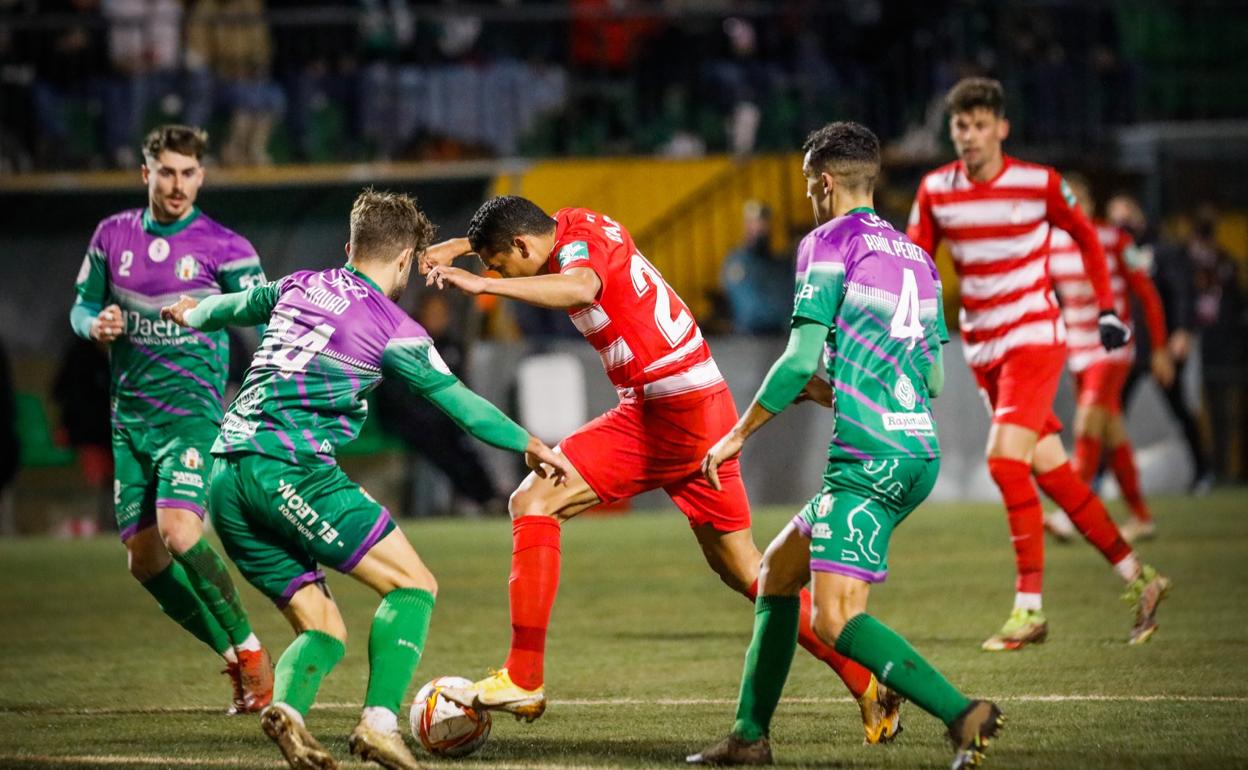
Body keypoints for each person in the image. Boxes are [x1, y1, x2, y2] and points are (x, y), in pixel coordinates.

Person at [421, 195, 909, 744]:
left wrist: (485, 285)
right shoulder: (571, 224)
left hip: (667, 414)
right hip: (696, 406)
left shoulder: (576, 255)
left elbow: (580, 286)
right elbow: (530, 227)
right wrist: (464, 245)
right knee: (751, 573)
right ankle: (868, 680)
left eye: (500, 263)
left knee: (534, 501)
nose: (496, 273)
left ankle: (525, 676)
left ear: (522, 247)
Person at [160, 189, 572, 770]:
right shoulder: (392, 325)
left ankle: (291, 713)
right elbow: (462, 406)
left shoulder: (299, 285)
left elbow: (230, 308)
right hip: (289, 468)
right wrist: (530, 443)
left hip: (225, 477)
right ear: (406, 260)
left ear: (349, 246)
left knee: (322, 626)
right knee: (413, 586)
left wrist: (189, 310)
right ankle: (379, 723)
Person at [687, 120, 1003, 770]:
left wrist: (736, 435)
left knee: (833, 620)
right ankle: (749, 738)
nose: (810, 197)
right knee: (777, 574)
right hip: (916, 448)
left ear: (825, 182)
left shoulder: (827, 243)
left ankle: (961, 712)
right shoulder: (915, 254)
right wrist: (845, 384)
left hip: (869, 454)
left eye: (810, 186)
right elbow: (936, 376)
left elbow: (799, 358)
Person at [906, 77, 1170, 650]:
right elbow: (919, 265)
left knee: (1005, 463)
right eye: (960, 127)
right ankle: (1140, 578)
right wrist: (915, 328)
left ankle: (1029, 609)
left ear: (1002, 128)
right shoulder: (935, 190)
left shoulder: (1039, 183)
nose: (970, 136)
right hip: (982, 348)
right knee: (1054, 473)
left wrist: (1105, 307)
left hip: (1034, 336)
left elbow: (1086, 236)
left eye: (980, 125)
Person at [69, 124, 274, 713]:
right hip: (129, 419)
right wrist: (94, 325)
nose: (178, 184)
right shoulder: (113, 236)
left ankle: (251, 648)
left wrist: (272, 384)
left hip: (193, 414)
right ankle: (233, 657)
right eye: (167, 172)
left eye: (188, 173)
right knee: (143, 560)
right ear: (147, 174)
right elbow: (82, 305)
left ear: (201, 176)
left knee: (179, 532)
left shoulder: (226, 247)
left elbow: (264, 316)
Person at [1045, 176, 1172, 543]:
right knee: (1112, 432)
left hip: (1111, 348)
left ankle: (1072, 514)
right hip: (1078, 349)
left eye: (1076, 199)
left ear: (1088, 203)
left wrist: (1160, 347)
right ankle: (1141, 516)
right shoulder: (1051, 245)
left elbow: (1147, 295)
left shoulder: (1116, 240)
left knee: (1086, 423)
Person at [1108, 194, 1211, 492]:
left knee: (1179, 410)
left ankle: (1204, 471)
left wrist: (1182, 330)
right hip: (1128, 348)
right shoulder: (1116, 252)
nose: (1120, 224)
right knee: (1109, 413)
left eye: (1125, 215)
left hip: (1159, 349)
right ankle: (1100, 476)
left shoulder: (1163, 250)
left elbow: (1181, 292)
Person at [720, 201, 792, 335]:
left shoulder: (779, 264)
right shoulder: (737, 263)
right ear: (746, 226)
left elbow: (790, 302)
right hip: (751, 343)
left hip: (780, 340)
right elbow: (750, 313)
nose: (759, 229)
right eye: (754, 223)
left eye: (763, 223)